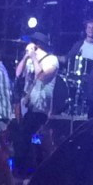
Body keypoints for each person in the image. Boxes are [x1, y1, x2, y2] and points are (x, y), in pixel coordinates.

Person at [13, 32, 59, 174]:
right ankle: (23, 168)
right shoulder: (29, 59)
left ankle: (26, 169)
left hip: (41, 107)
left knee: (25, 135)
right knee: (22, 136)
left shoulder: (52, 60)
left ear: (38, 46)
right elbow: (18, 73)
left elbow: (41, 76)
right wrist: (26, 57)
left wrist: (33, 57)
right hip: (27, 105)